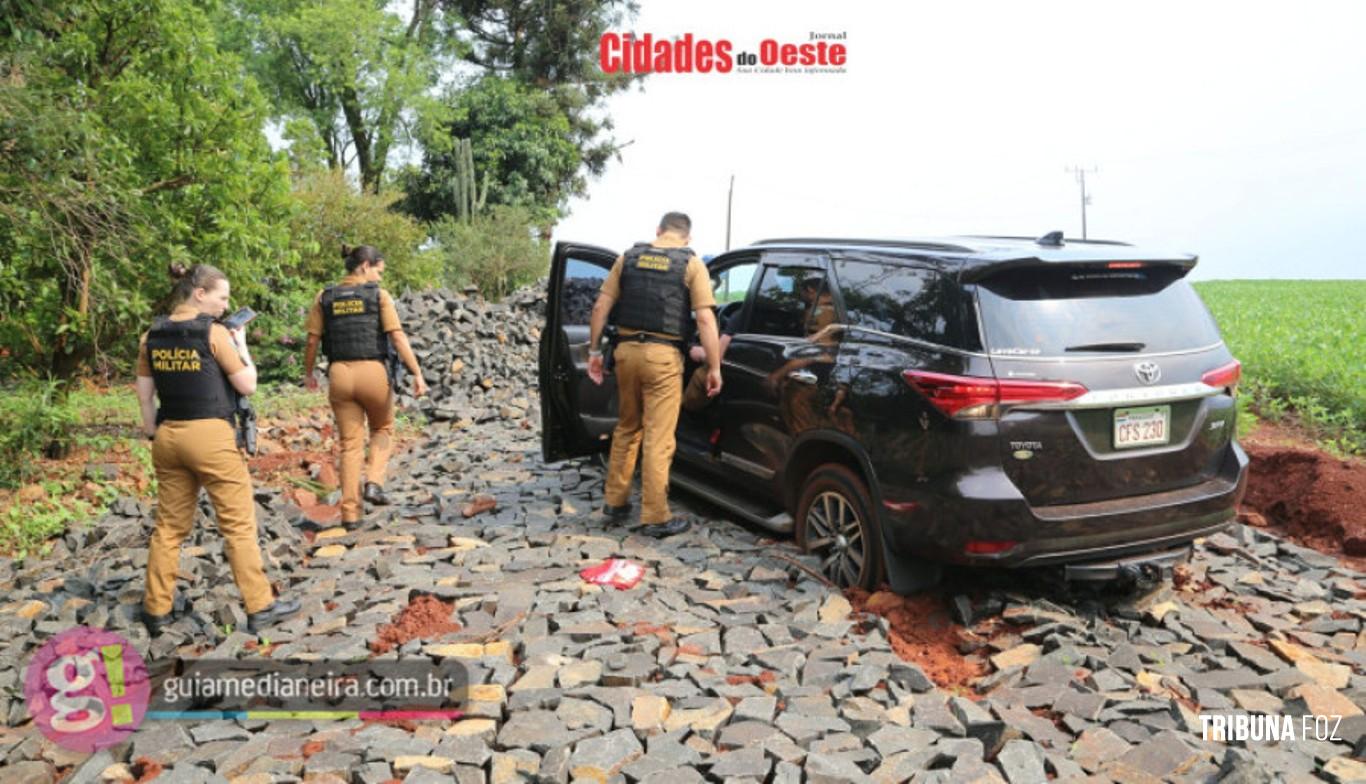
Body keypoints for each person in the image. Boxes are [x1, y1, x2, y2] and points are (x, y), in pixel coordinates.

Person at [135, 263, 300, 636]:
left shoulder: (152, 334)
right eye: (221, 297)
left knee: (169, 528)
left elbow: (144, 395)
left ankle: (156, 609)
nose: (226, 306)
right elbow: (247, 384)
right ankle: (260, 606)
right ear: (200, 294)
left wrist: (152, 433)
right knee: (238, 526)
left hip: (168, 436)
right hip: (211, 436)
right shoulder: (214, 333)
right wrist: (240, 343)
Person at [587, 212, 722, 537]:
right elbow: (705, 320)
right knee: (659, 437)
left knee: (627, 427)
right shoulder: (691, 264)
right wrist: (714, 367)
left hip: (625, 352)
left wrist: (593, 352)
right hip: (663, 358)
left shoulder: (628, 257)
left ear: (658, 231)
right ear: (687, 238)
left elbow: (599, 308)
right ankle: (656, 516)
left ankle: (615, 502)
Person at [303, 244, 428, 526]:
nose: (380, 278)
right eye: (378, 271)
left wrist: (308, 373)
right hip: (373, 371)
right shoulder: (378, 296)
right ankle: (373, 482)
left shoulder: (324, 296)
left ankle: (350, 514)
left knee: (349, 445)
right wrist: (417, 373)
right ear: (364, 266)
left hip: (339, 374)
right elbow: (397, 337)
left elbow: (312, 340)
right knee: (383, 428)